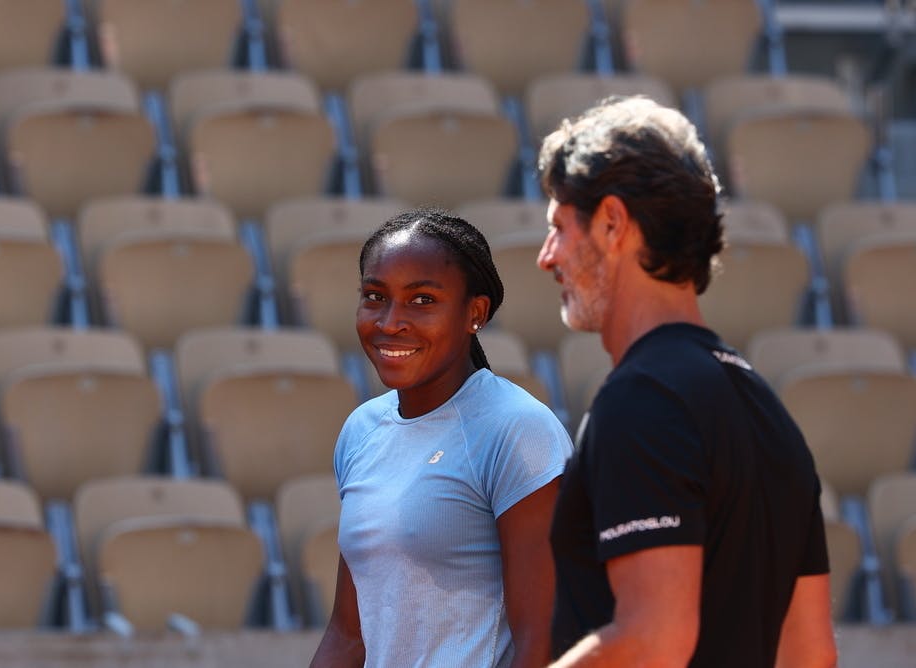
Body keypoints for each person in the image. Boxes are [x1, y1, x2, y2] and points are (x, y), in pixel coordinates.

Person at [535, 96, 838, 668]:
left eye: (558, 227)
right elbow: (811, 656)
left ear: (611, 223)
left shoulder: (641, 400)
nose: (547, 256)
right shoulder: (766, 408)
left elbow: (653, 642)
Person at [311, 207, 573, 668]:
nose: (391, 321)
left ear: (475, 313)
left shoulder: (517, 429)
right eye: (375, 296)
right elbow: (349, 634)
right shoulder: (360, 431)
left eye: (422, 300)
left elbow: (544, 640)